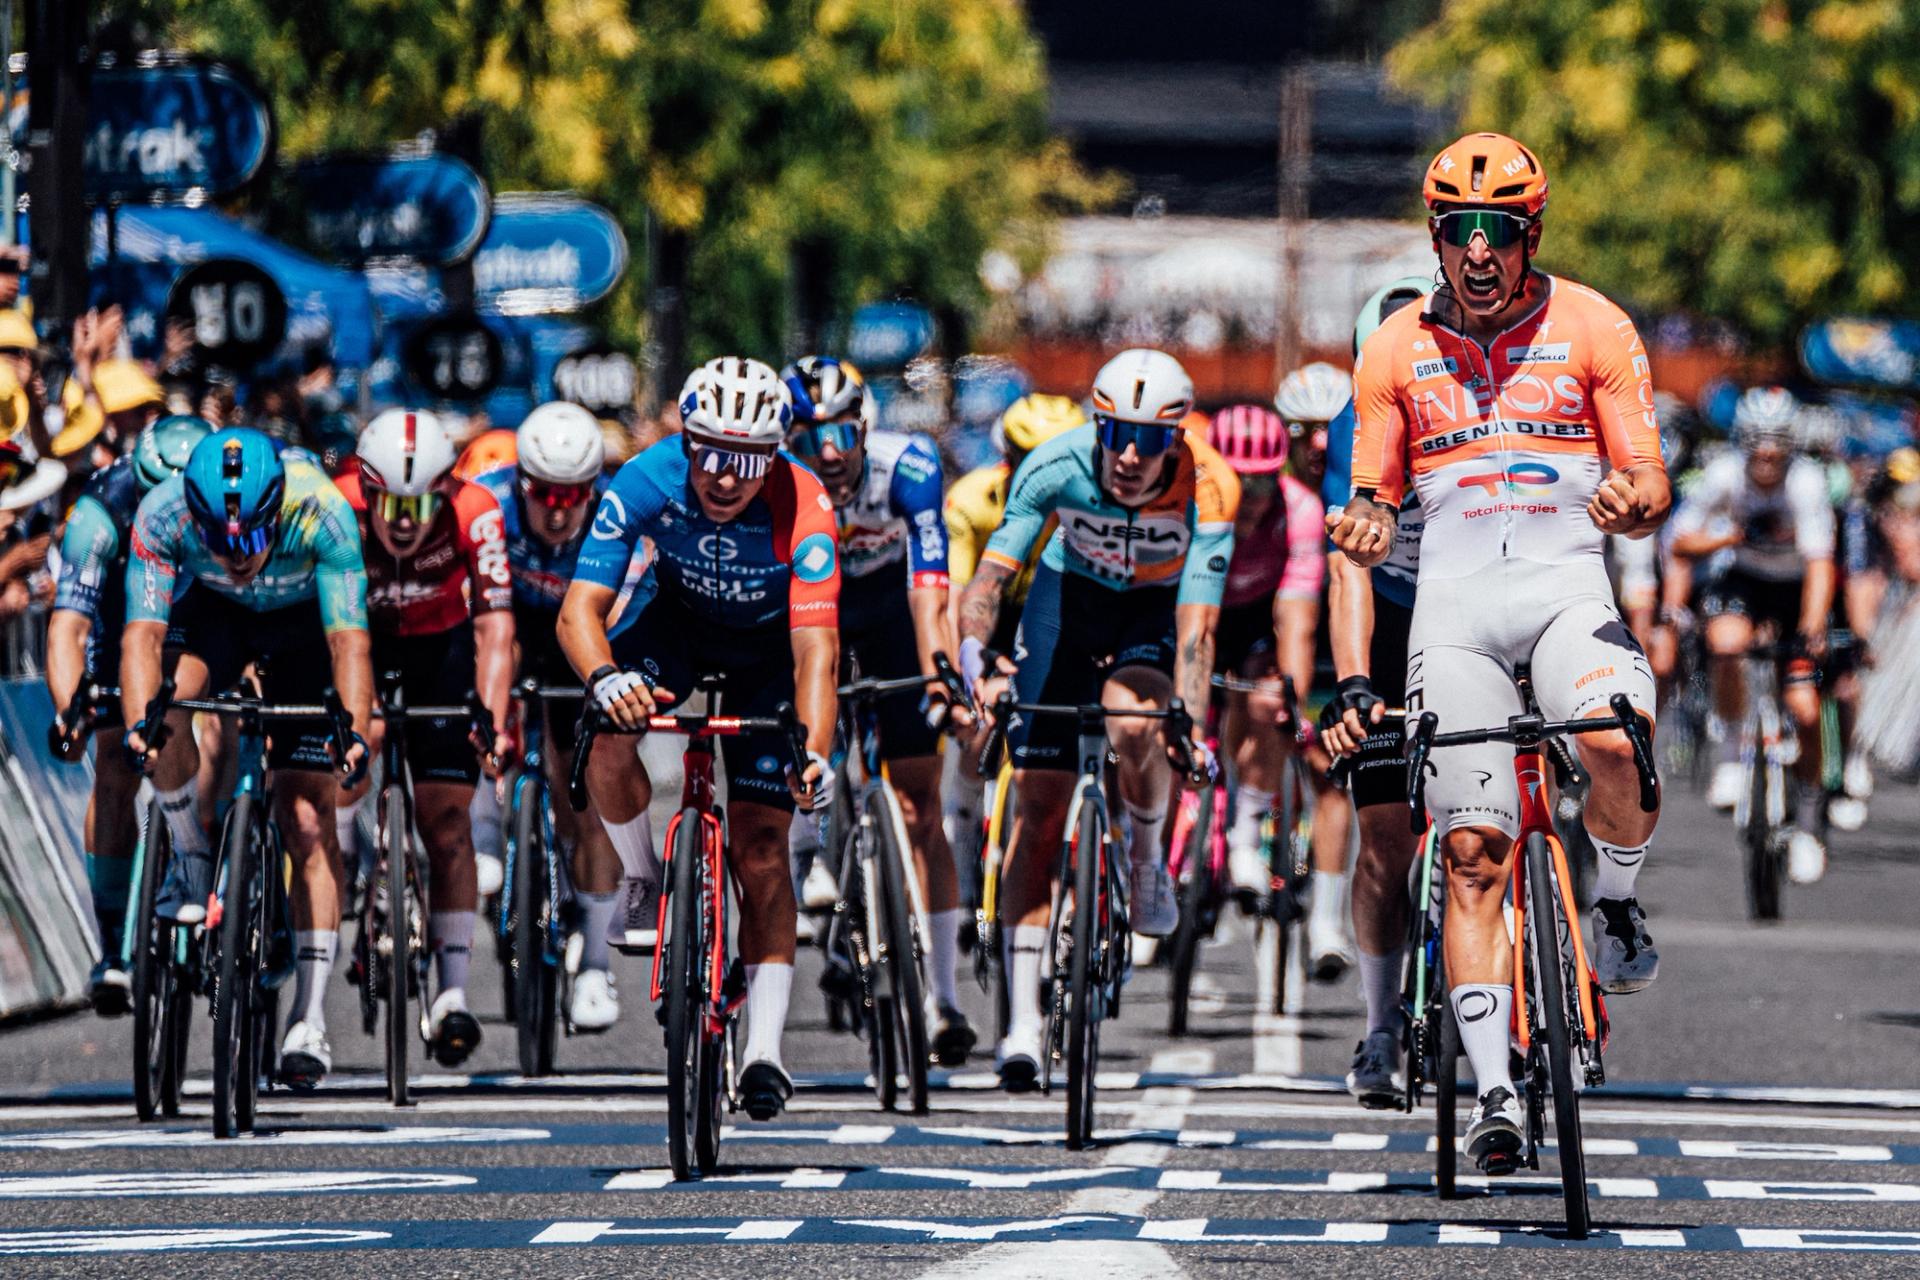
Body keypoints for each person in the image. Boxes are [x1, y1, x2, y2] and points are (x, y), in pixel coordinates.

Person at [1328, 132, 1669, 1172]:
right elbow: (1372, 491)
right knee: (1470, 850)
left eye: (1499, 232)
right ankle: (1493, 1093)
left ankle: (1612, 898)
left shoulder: (1596, 325)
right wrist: (1371, 522)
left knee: (1620, 742)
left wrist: (1632, 499)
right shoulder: (1391, 350)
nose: (1478, 252)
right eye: (1459, 231)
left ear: (1531, 234)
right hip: (1457, 615)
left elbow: (1650, 478)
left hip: (1568, 594)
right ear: (1435, 237)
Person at [559, 356, 838, 1121]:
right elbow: (580, 609)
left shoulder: (805, 503)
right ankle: (643, 878)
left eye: (746, 461)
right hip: (675, 625)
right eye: (708, 453)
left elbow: (817, 651)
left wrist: (812, 751)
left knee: (760, 848)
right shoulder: (648, 479)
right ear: (685, 441)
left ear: (775, 455)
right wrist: (605, 681)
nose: (723, 477)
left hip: (767, 654)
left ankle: (764, 1050)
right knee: (608, 733)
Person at [956, 348, 1237, 1090]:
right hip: (1065, 608)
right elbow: (992, 579)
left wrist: (1190, 723)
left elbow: (1200, 629)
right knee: (1037, 812)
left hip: (1151, 611)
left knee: (1137, 725)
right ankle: (1020, 1023)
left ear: (1177, 438)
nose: (1130, 456)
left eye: (1150, 441)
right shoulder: (1052, 465)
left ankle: (1145, 861)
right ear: (1097, 426)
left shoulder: (1211, 484)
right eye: (1116, 434)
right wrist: (974, 659)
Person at [120, 427, 373, 1088]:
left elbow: (349, 645)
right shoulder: (163, 511)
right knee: (168, 713)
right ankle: (191, 853)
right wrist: (140, 728)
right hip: (217, 621)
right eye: (220, 541)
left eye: (252, 540)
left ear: (276, 511)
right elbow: (141, 639)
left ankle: (310, 1015)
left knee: (308, 820)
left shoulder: (321, 511)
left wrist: (355, 732)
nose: (237, 555)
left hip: (300, 629)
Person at [779, 354, 976, 1064]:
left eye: (841, 435)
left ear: (865, 428)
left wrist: (938, 677)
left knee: (922, 804)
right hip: (813, 608)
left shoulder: (910, 467)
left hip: (892, 607)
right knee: (804, 717)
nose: (828, 454)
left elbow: (930, 591)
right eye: (807, 437)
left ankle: (946, 1000)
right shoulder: (774, 482)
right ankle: (808, 847)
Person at [332, 409, 516, 1067]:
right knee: (358, 742)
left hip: (441, 645)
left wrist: (489, 722)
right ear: (366, 488)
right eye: (390, 503)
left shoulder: (478, 510)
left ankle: (453, 992)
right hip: (361, 635)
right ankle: (349, 839)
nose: (404, 520)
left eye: (419, 504)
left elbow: (495, 628)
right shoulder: (337, 505)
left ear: (444, 492)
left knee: (448, 825)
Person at [474, 401, 630, 1031]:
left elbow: (617, 619)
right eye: (543, 494)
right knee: (483, 690)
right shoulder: (488, 506)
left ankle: (594, 961)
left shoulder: (619, 512)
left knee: (590, 791)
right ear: (519, 485)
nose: (559, 510)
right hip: (509, 625)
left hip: (582, 634)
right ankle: (488, 826)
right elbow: (481, 626)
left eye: (574, 496)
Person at [1317, 274, 1431, 1108]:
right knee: (1387, 837)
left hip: (1484, 611)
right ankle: (1383, 1023)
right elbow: (1347, 564)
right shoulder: (1351, 432)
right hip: (1392, 622)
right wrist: (1354, 682)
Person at [1670, 385, 1835, 880]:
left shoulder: (1807, 482)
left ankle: (1808, 818)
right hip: (1743, 576)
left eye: (1776, 441)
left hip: (1794, 586)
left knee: (1805, 708)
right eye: (1757, 441)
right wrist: (1727, 535)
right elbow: (1681, 539)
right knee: (1724, 643)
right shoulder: (1723, 473)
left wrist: (1811, 626)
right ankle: (1734, 750)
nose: (1766, 453)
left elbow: (1821, 563)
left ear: (1790, 444)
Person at [1203, 405, 1323, 895]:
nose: (1251, 497)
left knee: (1270, 702)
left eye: (1263, 482)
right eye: (1239, 482)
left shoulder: (1300, 510)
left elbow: (1296, 620)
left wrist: (1291, 700)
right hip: (1195, 610)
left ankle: (1245, 837)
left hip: (1255, 618)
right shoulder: (1191, 503)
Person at [1273, 360, 1360, 975]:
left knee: (1333, 776)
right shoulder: (1270, 495)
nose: (1320, 443)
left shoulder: (1356, 484)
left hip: (1338, 635)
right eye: (1305, 430)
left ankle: (1326, 920)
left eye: (1330, 428)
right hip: (1270, 631)